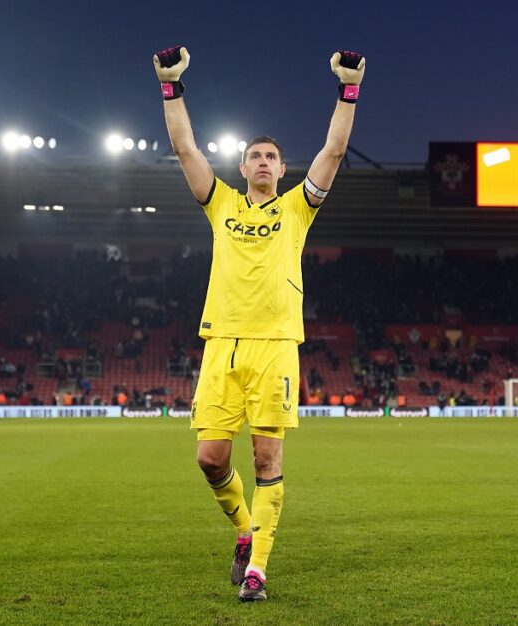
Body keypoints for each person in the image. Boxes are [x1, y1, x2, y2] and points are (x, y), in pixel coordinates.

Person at [154, 44, 365, 601]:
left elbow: (336, 151)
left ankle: (258, 571)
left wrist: (349, 89)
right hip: (221, 343)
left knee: (267, 457)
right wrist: (171, 86)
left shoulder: (297, 209)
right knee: (209, 458)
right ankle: (245, 532)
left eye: (273, 156)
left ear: (282, 168)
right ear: (243, 167)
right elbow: (182, 148)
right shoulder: (220, 204)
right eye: (256, 156)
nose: (265, 162)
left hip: (275, 345)